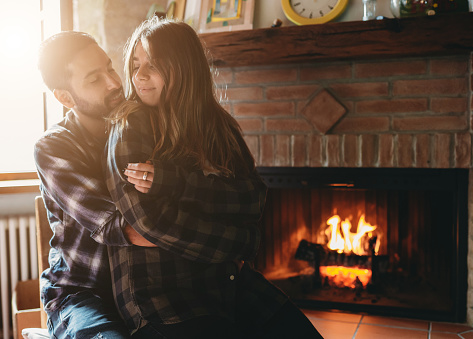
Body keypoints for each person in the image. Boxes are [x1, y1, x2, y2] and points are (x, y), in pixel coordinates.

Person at [104, 17, 323, 338]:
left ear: (184, 67)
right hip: (162, 292)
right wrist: (242, 242)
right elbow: (150, 220)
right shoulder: (129, 124)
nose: (139, 76)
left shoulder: (217, 125)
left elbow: (252, 197)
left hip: (225, 283)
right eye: (136, 65)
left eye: (154, 65)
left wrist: (175, 183)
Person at [35, 31, 135, 338]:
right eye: (94, 79)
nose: (114, 83)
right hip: (82, 293)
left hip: (143, 286)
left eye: (110, 68)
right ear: (65, 97)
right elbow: (116, 227)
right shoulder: (53, 147)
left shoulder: (137, 126)